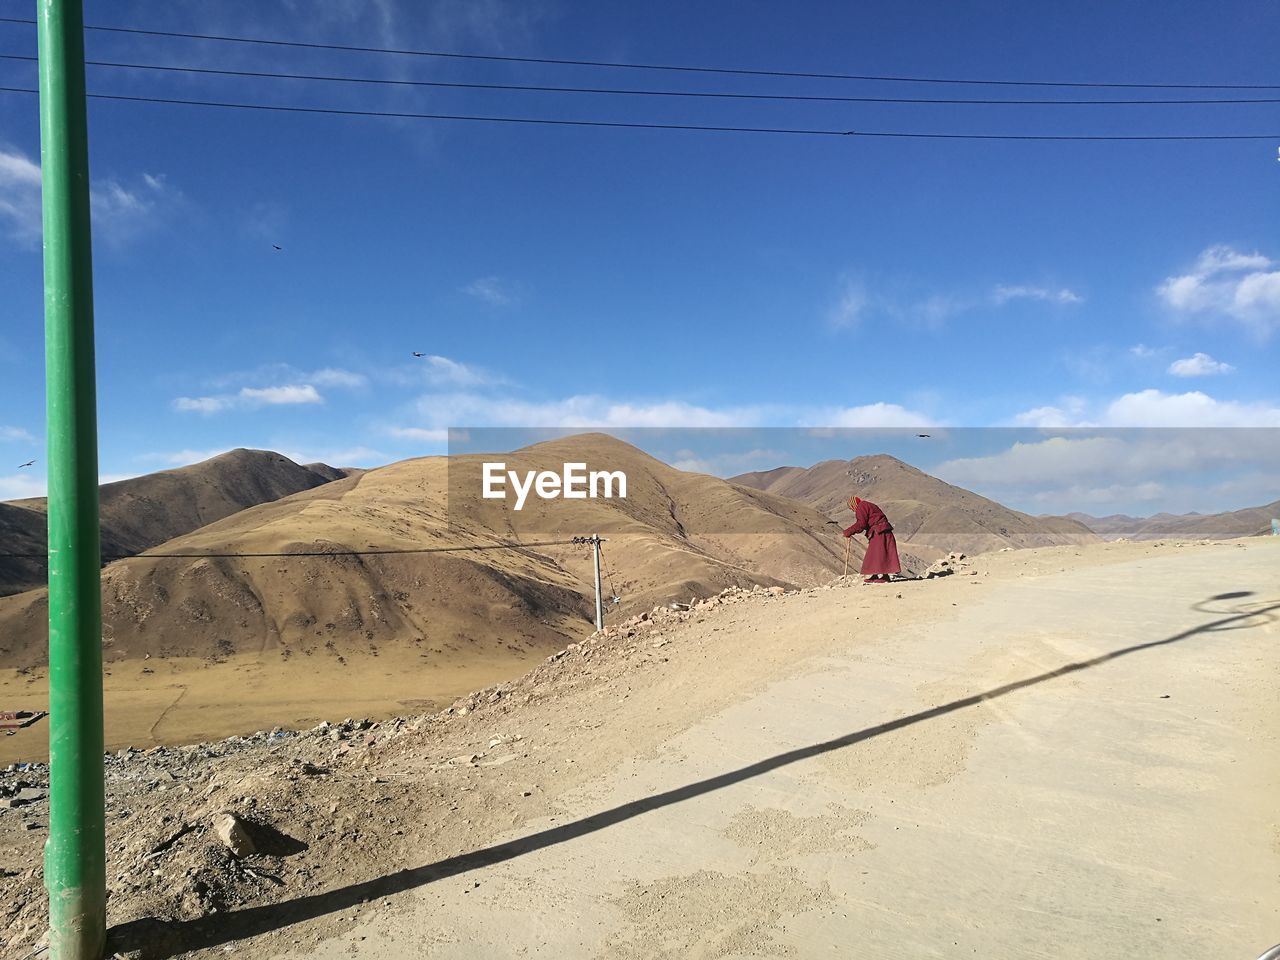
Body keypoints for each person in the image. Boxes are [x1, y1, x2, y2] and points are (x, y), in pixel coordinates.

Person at [842, 494, 902, 584]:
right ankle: (875, 575)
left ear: (853, 504)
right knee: (875, 555)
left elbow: (861, 524)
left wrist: (848, 532)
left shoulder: (861, 507)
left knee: (879, 554)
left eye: (851, 508)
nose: (853, 510)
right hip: (882, 530)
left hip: (879, 532)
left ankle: (885, 577)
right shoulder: (867, 505)